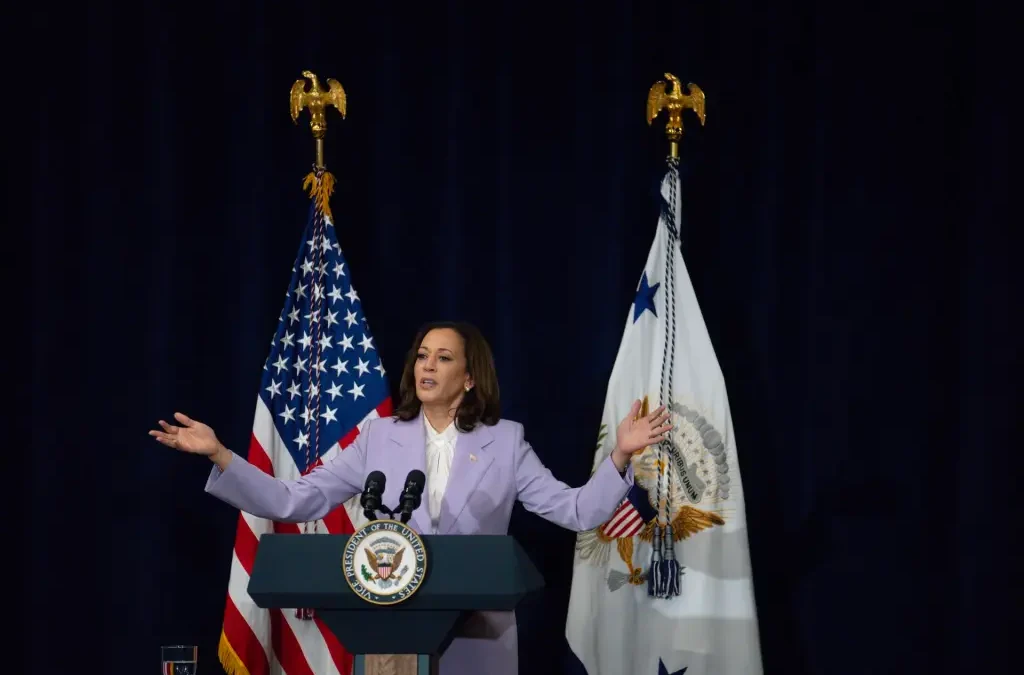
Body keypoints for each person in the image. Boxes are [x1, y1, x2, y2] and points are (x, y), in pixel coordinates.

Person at [150, 320, 672, 675]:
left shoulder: (506, 441)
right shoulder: (380, 438)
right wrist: (221, 455)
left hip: (477, 635)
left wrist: (620, 457)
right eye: (422, 355)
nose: (427, 365)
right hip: (392, 634)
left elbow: (576, 510)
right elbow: (296, 500)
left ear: (468, 378)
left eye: (443, 358)